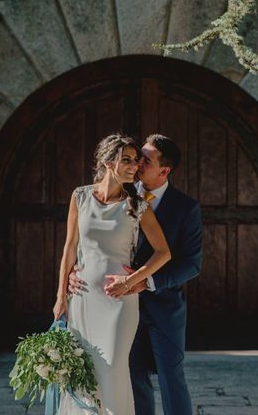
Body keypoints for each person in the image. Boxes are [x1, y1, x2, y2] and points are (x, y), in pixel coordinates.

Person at [69, 134, 203, 415]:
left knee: (171, 377)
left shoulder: (186, 208)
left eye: (145, 160)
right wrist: (76, 271)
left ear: (164, 171)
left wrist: (147, 282)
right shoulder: (122, 192)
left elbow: (191, 263)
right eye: (135, 158)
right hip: (115, 304)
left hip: (163, 305)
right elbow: (90, 238)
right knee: (132, 378)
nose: (137, 164)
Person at [52, 133, 171, 415]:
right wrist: (60, 297)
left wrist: (131, 281)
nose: (134, 167)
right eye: (127, 161)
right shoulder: (80, 196)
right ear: (107, 163)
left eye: (136, 161)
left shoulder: (138, 205)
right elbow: (70, 249)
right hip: (81, 299)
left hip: (119, 303)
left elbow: (164, 253)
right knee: (84, 372)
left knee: (114, 369)